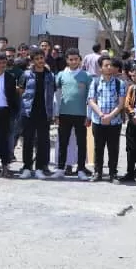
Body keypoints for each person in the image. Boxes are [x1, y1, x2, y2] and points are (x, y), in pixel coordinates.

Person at [53, 48, 93, 179]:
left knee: (81, 143)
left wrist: (89, 115)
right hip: (64, 114)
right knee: (63, 142)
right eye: (71, 59)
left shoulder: (86, 76)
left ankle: (81, 169)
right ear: (67, 60)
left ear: (80, 60)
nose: (73, 61)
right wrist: (56, 113)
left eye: (76, 59)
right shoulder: (60, 75)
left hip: (81, 115)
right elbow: (56, 94)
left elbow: (91, 97)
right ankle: (60, 168)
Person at [88, 56, 126, 182]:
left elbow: (121, 104)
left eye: (111, 65)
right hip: (98, 121)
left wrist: (110, 116)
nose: (109, 67)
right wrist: (101, 115)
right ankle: (97, 173)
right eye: (106, 65)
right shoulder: (95, 82)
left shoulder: (119, 83)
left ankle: (113, 174)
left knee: (113, 148)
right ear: (100, 68)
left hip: (114, 122)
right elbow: (91, 101)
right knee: (98, 148)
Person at [18, 50, 55, 179]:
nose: (40, 60)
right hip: (29, 112)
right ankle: (27, 167)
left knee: (42, 141)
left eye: (42, 58)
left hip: (44, 113)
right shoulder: (26, 75)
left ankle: (39, 168)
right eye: (37, 58)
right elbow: (20, 91)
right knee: (27, 140)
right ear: (33, 60)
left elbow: (52, 93)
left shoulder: (50, 75)